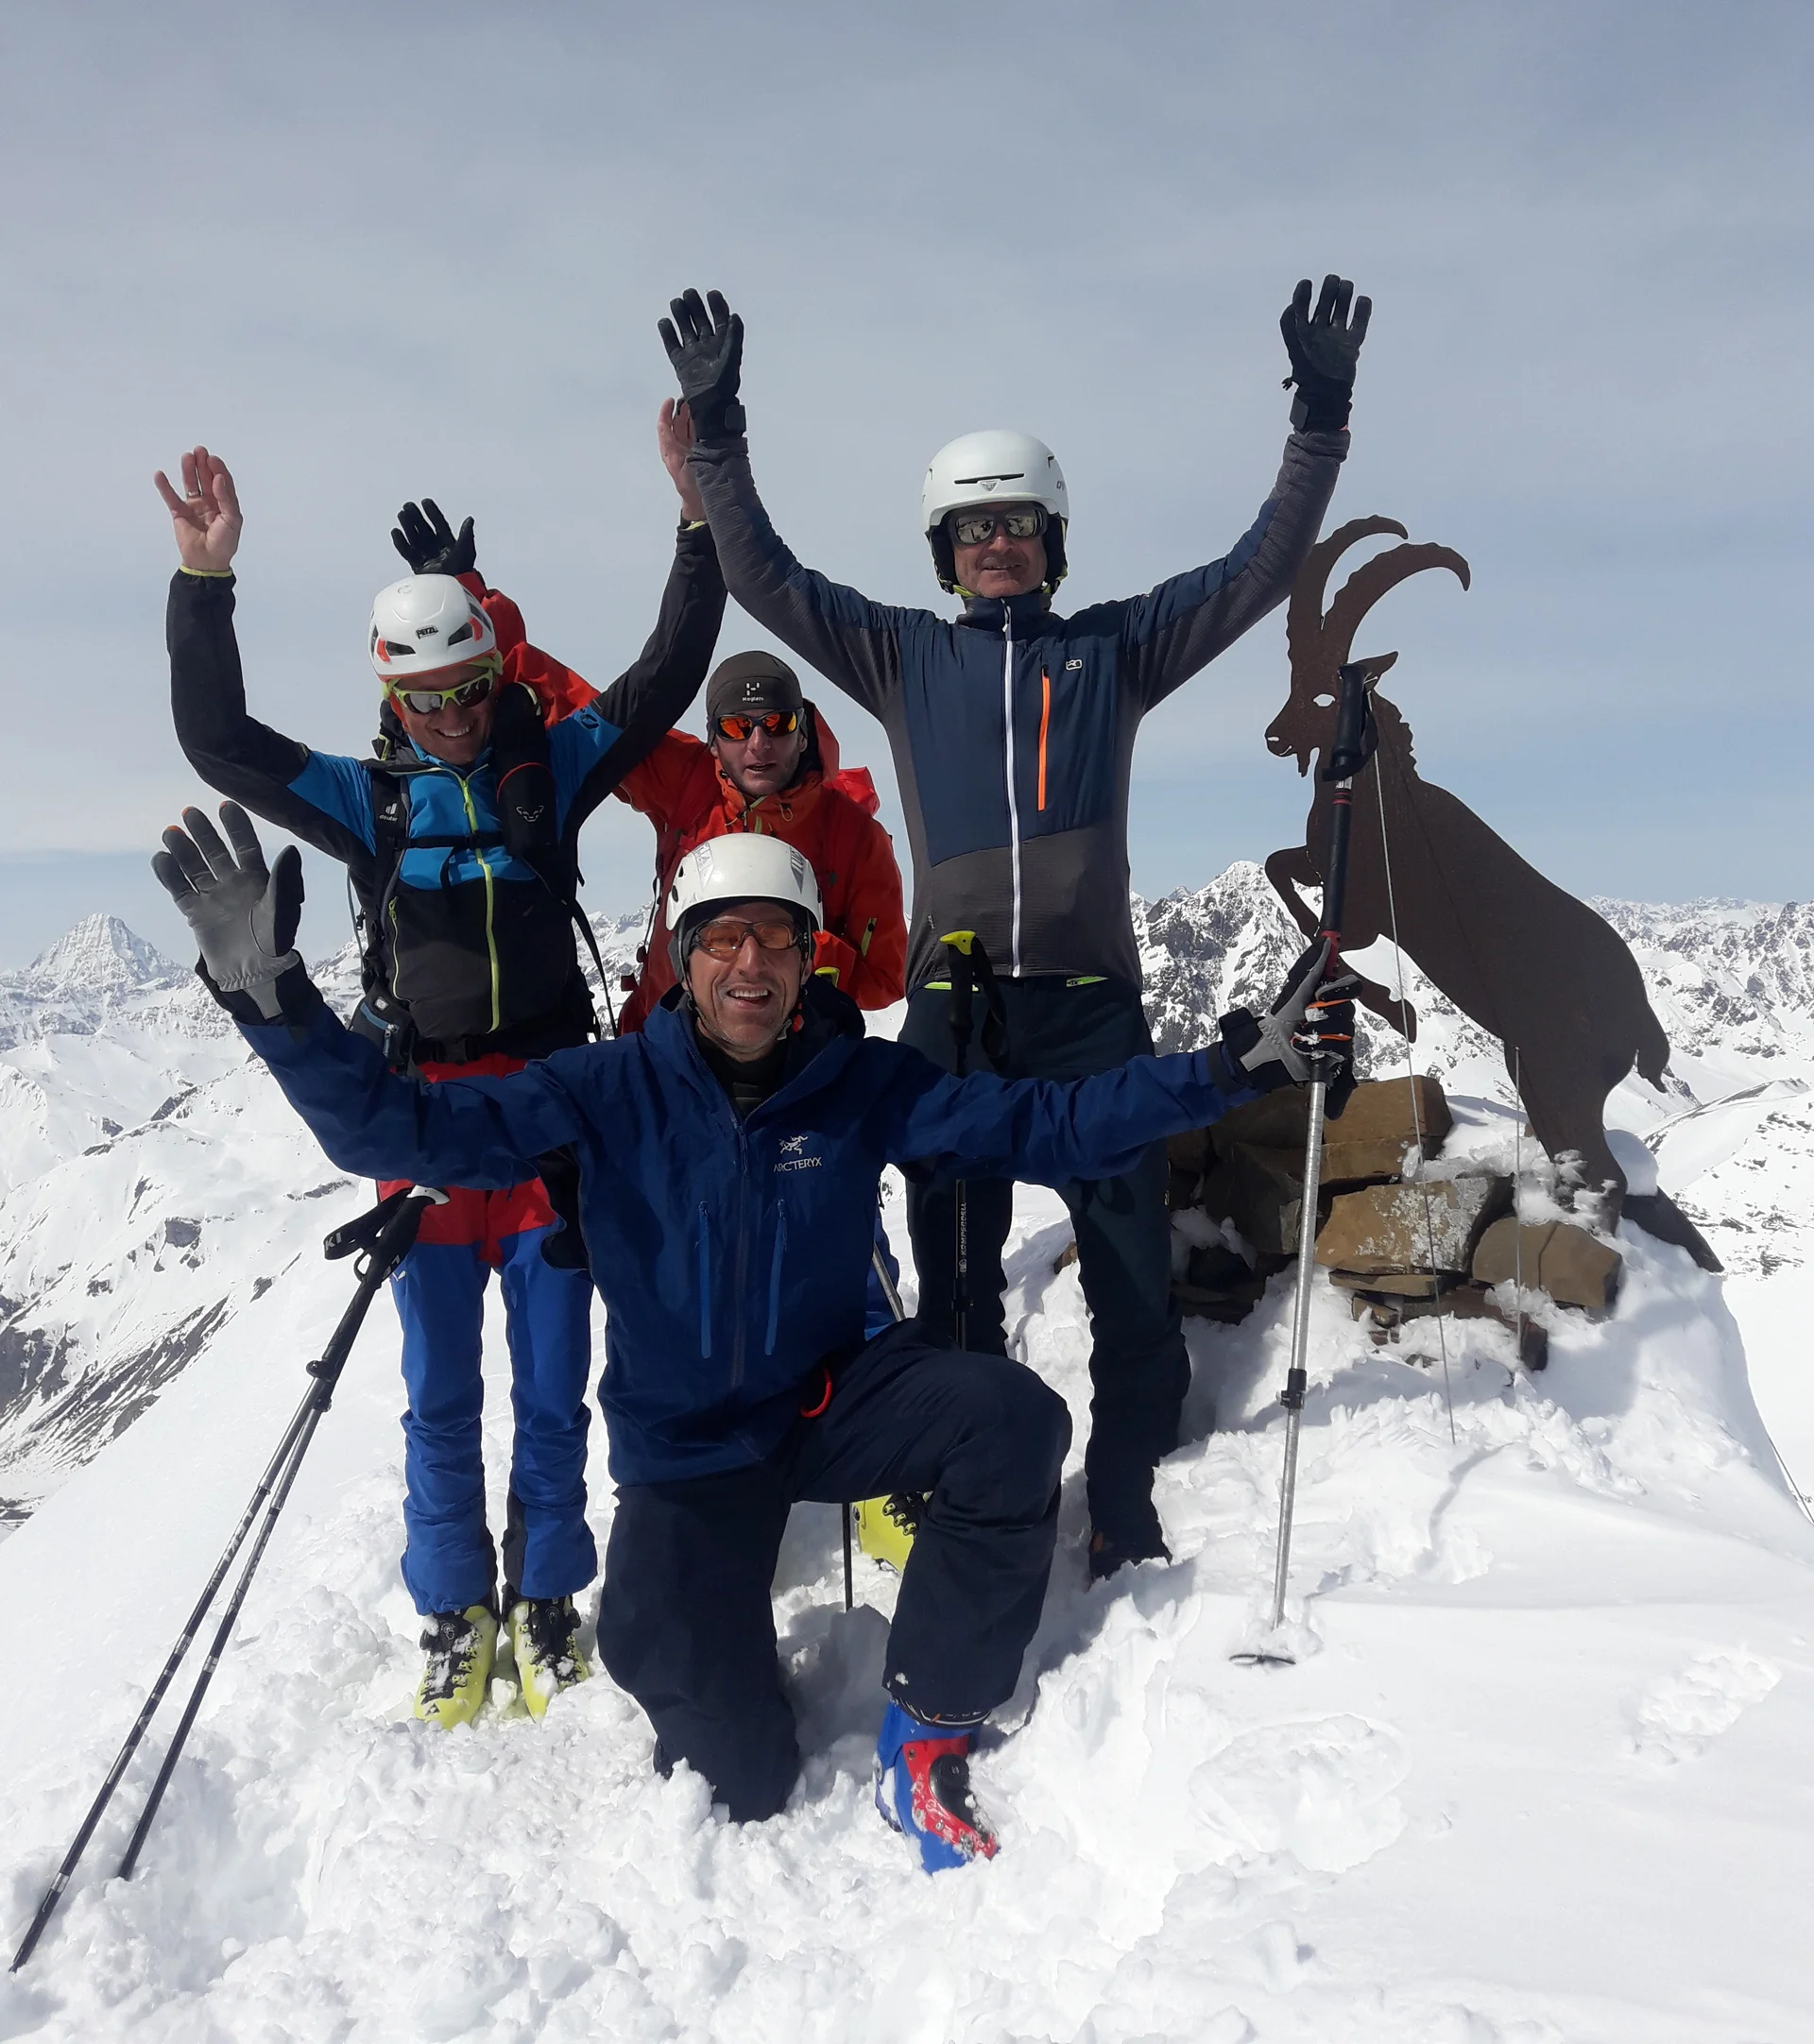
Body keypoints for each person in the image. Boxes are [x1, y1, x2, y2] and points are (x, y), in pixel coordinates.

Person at [152, 809, 1343, 1868]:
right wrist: (277, 1007)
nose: (750, 965)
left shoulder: (859, 1084)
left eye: (776, 940)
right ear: (682, 956)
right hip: (686, 1451)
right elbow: (396, 1124)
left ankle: (929, 1728)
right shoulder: (600, 1089)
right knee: (738, 1768)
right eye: (722, 938)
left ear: (807, 956)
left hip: (829, 1399)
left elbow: (1048, 1121)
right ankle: (717, 1661)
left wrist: (1221, 1072)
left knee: (1013, 1421)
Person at [658, 277, 1370, 1576]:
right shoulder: (900, 656)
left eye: (1021, 527)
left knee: (1129, 1271)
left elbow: (1258, 570)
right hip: (956, 1006)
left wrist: (1317, 421)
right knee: (955, 1274)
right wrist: (718, 432)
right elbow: (765, 575)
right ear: (944, 550)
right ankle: (971, 1489)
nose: (999, 546)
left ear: (1053, 543)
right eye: (975, 530)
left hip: (1090, 1001)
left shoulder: (1116, 652)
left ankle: (1126, 1484)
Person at [156, 434, 725, 1724]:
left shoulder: (550, 772)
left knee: (549, 1372)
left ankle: (548, 1598)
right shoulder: (374, 804)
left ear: (495, 672)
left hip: (550, 1122)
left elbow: (662, 679)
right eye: (429, 700)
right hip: (424, 1121)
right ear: (392, 699)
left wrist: (700, 530)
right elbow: (218, 741)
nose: (455, 716)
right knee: (439, 1391)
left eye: (471, 688)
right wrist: (206, 583)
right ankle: (455, 1613)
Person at [614, 634, 906, 1031]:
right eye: (736, 726)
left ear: (802, 735)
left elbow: (887, 977)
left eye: (777, 723)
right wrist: (496, 631)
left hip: (793, 1061)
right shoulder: (686, 782)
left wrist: (789, 944)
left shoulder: (853, 836)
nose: (758, 743)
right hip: (664, 1048)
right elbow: (582, 715)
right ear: (713, 741)